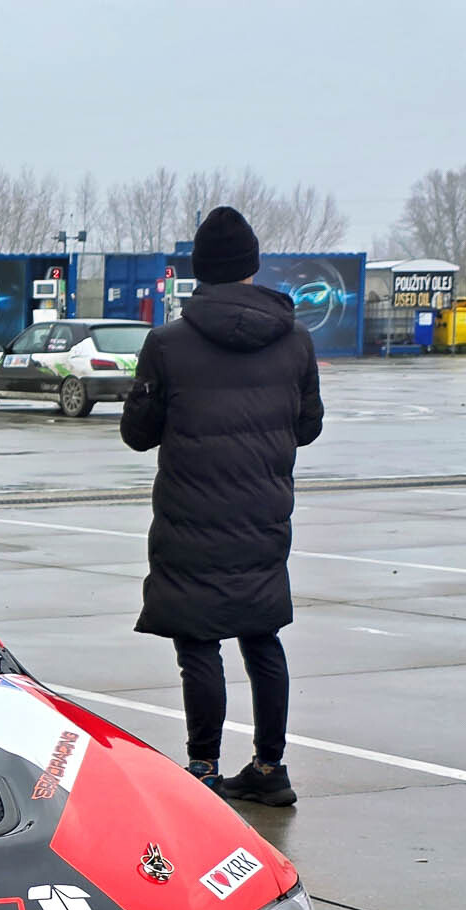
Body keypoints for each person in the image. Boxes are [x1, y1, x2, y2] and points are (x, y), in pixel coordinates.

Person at [120, 206, 323, 807]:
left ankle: (204, 767)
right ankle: (270, 766)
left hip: (191, 516)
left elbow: (137, 433)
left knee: (198, 641)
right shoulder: (296, 341)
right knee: (262, 638)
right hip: (264, 515)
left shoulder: (167, 343)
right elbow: (308, 427)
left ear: (200, 271)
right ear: (252, 267)